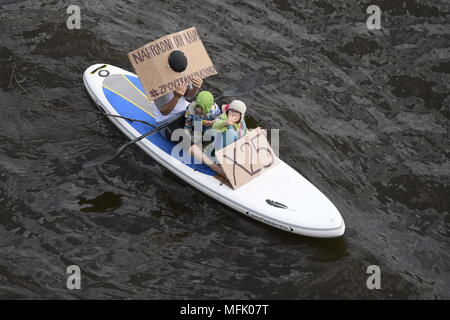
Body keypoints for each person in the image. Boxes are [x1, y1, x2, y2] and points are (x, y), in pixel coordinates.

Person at [188, 100, 248, 176]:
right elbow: (216, 125)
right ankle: (215, 167)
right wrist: (226, 123)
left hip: (230, 149)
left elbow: (245, 133)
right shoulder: (222, 119)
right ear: (228, 111)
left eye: (237, 112)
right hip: (216, 148)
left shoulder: (242, 123)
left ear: (241, 115)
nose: (233, 113)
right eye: (232, 110)